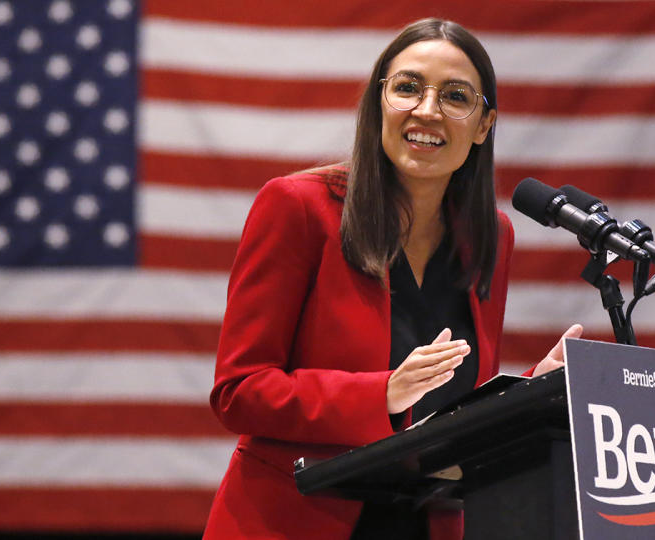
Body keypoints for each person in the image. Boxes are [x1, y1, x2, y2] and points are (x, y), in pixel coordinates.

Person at [202, 18, 582, 540]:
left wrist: (527, 393)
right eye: (407, 88)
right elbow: (239, 391)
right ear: (379, 102)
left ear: (484, 125)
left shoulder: (491, 235)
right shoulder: (298, 207)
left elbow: (448, 414)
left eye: (454, 96)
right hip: (294, 522)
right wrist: (381, 394)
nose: (426, 110)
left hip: (423, 521)